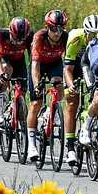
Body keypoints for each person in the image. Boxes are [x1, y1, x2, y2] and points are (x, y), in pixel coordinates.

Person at [28, 10, 70, 164]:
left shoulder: (65, 37)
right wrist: (37, 84)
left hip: (54, 63)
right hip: (39, 64)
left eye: (61, 29)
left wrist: (68, 82)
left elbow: (68, 61)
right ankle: (31, 145)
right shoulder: (39, 37)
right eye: (54, 29)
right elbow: (35, 65)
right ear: (47, 27)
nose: (57, 33)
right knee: (36, 103)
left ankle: (51, 112)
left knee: (59, 87)